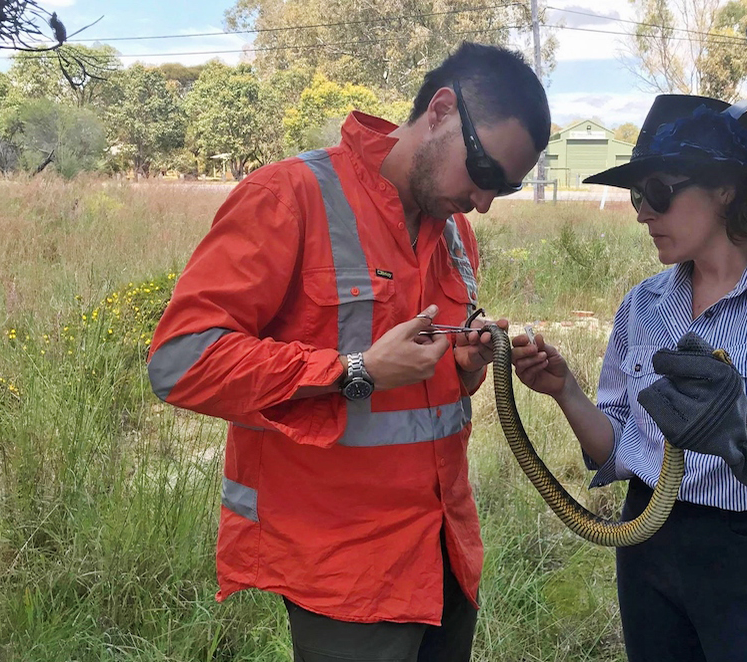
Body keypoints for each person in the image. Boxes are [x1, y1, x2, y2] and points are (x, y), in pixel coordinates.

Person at [147, 42, 550, 662]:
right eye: (485, 172)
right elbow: (180, 362)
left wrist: (464, 369)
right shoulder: (290, 196)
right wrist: (354, 371)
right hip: (345, 574)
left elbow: (423, 393)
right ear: (442, 110)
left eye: (507, 187)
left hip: (447, 554)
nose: (485, 201)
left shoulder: (455, 233)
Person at [511, 95, 747, 661]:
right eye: (637, 196)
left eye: (658, 192)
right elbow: (619, 445)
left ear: (725, 189)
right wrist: (566, 391)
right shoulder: (645, 305)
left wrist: (739, 427)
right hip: (650, 544)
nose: (642, 213)